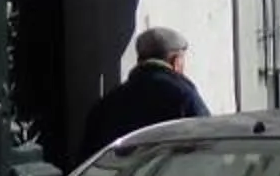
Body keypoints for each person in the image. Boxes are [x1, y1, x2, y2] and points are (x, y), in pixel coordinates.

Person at [78, 25, 210, 161]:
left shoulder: (107, 103)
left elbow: (87, 159)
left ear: (139, 61)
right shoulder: (184, 97)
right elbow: (209, 144)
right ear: (175, 61)